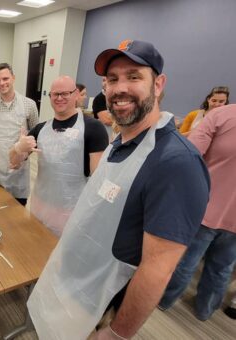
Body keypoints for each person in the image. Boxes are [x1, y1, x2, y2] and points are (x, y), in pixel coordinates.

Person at [27, 40, 210, 340]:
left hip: (106, 302)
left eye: (134, 76)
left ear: (159, 84)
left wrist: (116, 333)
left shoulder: (176, 164)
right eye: (112, 80)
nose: (119, 88)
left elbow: (157, 268)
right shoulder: (120, 143)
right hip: (80, 281)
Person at [159, 104, 236, 321]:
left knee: (187, 262)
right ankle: (205, 310)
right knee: (222, 268)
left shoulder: (222, 114)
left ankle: (165, 300)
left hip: (207, 207)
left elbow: (189, 154)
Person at [9, 76, 108, 236]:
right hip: (40, 206)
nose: (59, 98)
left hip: (71, 210)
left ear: (76, 94)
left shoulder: (93, 129)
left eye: (65, 93)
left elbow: (98, 179)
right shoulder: (40, 129)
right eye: (55, 94)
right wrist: (18, 148)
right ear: (50, 97)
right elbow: (13, 163)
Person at [0, 63, 38, 206]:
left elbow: (34, 139)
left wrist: (22, 155)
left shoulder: (29, 105)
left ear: (13, 78)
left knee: (16, 212)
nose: (2, 83)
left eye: (5, 78)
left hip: (19, 169)